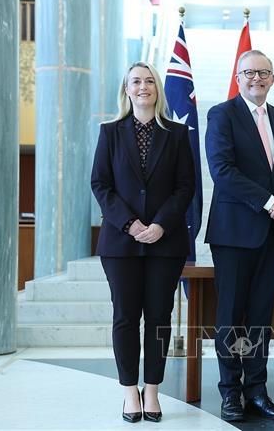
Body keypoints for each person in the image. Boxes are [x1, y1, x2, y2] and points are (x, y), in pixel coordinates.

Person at [91, 61, 195, 423]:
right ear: (127, 89)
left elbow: (186, 186)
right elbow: (100, 184)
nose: (143, 86)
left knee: (159, 317)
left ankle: (151, 390)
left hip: (165, 243)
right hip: (120, 244)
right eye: (135, 81)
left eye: (149, 81)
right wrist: (131, 224)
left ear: (157, 89)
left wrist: (161, 224)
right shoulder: (110, 132)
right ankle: (128, 392)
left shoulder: (177, 134)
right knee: (125, 317)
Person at [204, 49, 274, 422]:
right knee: (230, 316)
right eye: (249, 72)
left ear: (273, 79)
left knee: (261, 317)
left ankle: (257, 391)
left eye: (263, 72)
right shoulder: (222, 115)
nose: (256, 78)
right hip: (233, 233)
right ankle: (230, 392)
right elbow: (222, 171)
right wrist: (270, 203)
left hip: (273, 236)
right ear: (237, 77)